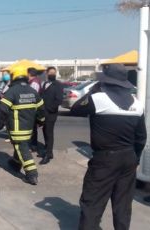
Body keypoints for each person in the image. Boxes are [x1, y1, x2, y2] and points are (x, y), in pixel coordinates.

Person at [71, 64, 146, 230]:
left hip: (105, 160)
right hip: (128, 159)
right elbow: (141, 138)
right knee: (123, 205)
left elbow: (75, 108)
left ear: (106, 81)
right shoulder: (137, 104)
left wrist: (93, 90)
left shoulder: (98, 99)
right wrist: (136, 158)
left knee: (92, 203)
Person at [1, 66, 45, 185]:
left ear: (14, 77)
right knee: (21, 147)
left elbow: (2, 109)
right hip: (29, 128)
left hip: (16, 128)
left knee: (23, 150)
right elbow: (41, 108)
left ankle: (32, 175)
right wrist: (41, 121)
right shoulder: (32, 91)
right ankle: (15, 163)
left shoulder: (12, 91)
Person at [40, 67, 63, 165]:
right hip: (43, 112)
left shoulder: (58, 85)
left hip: (51, 113)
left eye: (54, 73)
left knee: (49, 132)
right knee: (44, 130)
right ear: (47, 74)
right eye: (50, 73)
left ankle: (48, 154)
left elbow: (59, 100)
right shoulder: (45, 83)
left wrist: (49, 109)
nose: (52, 74)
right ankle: (47, 149)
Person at [28, 68, 42, 153]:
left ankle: (33, 146)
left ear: (29, 74)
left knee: (33, 129)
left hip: (33, 108)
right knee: (32, 128)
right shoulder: (33, 82)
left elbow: (33, 96)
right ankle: (32, 145)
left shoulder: (34, 83)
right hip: (32, 108)